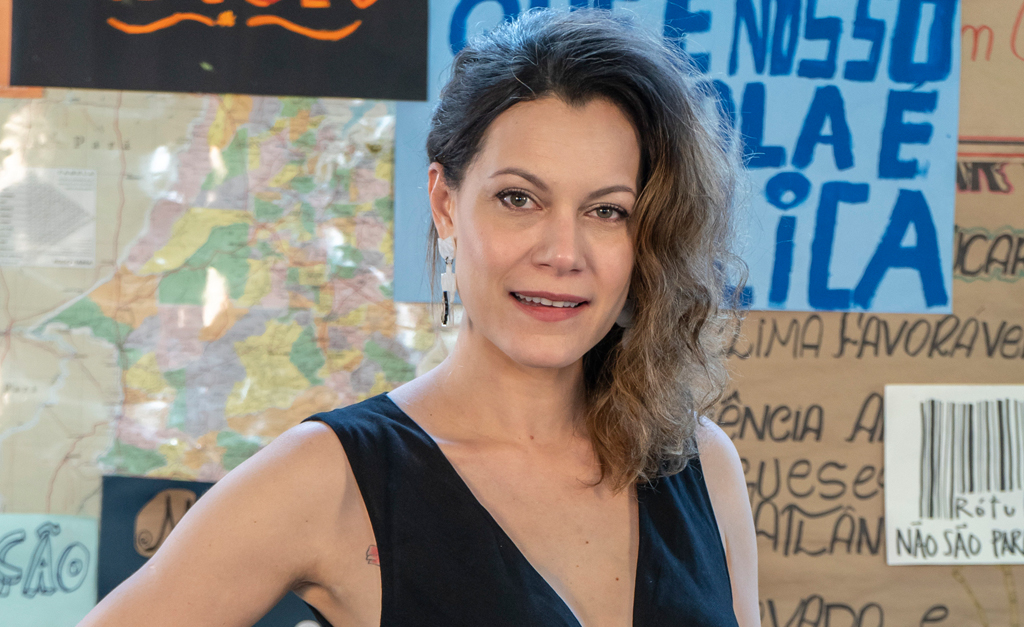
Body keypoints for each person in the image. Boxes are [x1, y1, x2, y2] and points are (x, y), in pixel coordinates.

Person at [80, 8, 756, 627]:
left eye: (607, 211)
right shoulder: (334, 477)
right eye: (518, 199)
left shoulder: (701, 465)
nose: (562, 253)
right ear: (444, 203)